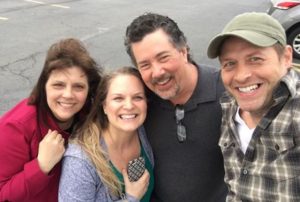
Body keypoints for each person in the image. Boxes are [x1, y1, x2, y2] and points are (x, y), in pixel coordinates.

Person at [124, 13, 227, 201]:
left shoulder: (227, 93)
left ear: (183, 51)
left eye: (163, 58)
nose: (157, 72)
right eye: (145, 65)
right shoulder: (139, 104)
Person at [207, 12, 298, 201]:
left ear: (287, 57)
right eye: (230, 64)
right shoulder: (229, 107)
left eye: (255, 59)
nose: (241, 76)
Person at [0, 38, 102, 202]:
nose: (68, 95)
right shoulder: (16, 126)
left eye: (78, 86)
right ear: (44, 86)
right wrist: (41, 166)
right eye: (58, 85)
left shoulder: (88, 116)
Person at [58, 66, 154, 202]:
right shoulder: (80, 161)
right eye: (118, 98)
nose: (129, 106)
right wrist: (132, 199)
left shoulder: (141, 131)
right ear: (104, 106)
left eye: (137, 97)